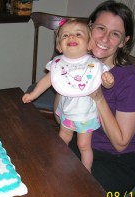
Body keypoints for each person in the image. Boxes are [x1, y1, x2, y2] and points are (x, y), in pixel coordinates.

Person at [60, 0, 135, 195]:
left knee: (67, 192)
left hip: (116, 161)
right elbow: (61, 118)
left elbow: (120, 142)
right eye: (100, 28)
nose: (105, 39)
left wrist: (98, 97)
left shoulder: (131, 80)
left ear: (124, 41)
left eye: (115, 34)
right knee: (43, 167)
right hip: (82, 144)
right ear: (90, 27)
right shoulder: (80, 62)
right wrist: (66, 73)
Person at [23, 18, 114, 172]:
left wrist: (108, 81)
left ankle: (87, 172)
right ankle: (56, 162)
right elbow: (46, 81)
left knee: (83, 146)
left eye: (78, 34)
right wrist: (33, 95)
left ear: (90, 44)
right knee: (62, 139)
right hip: (66, 113)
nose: (71, 37)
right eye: (65, 36)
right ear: (59, 46)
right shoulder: (57, 64)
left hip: (86, 116)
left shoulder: (95, 65)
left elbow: (106, 84)